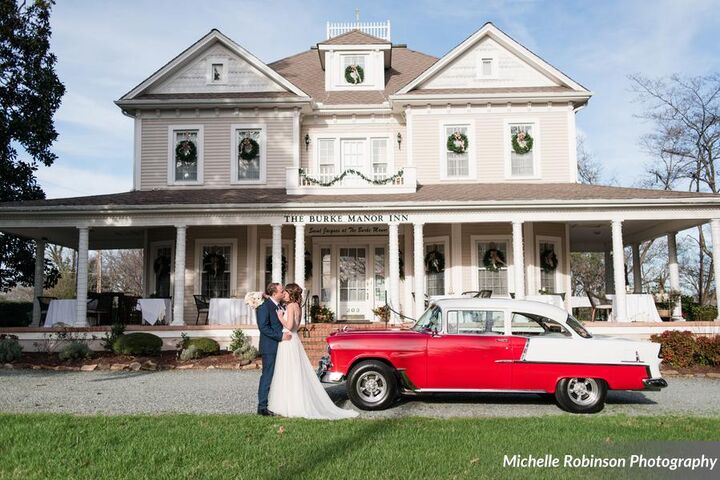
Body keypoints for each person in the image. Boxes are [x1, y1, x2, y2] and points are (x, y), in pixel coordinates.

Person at [268, 283, 358, 420]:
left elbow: (291, 325)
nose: (284, 295)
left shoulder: (291, 306)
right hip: (293, 340)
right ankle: (292, 401)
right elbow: (297, 326)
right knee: (294, 372)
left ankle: (291, 404)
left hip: (288, 340)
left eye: (286, 293)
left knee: (288, 371)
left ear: (291, 294)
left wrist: (280, 317)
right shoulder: (297, 306)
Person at [256, 282, 292, 416]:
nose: (284, 293)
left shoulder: (280, 306)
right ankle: (262, 407)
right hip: (270, 347)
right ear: (274, 293)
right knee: (268, 376)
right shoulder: (264, 307)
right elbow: (263, 327)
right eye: (282, 291)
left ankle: (278, 404)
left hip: (282, 347)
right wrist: (280, 336)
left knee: (280, 376)